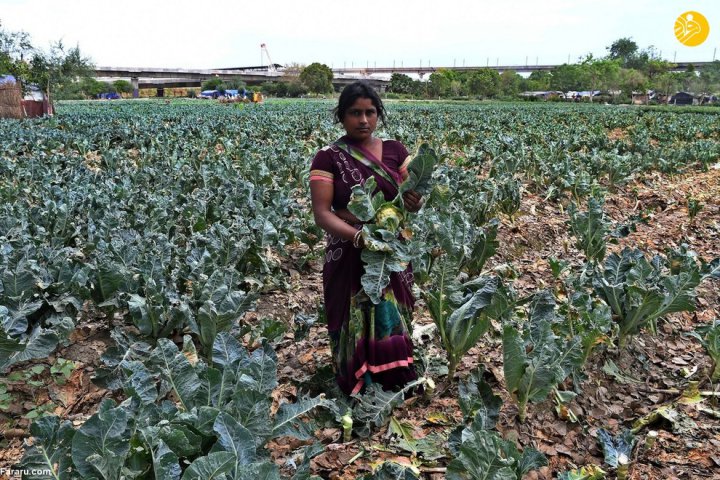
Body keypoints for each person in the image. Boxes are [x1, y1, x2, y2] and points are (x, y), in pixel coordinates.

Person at [309, 81, 423, 395]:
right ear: (342, 116)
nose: (363, 120)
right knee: (354, 316)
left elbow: (411, 197)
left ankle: (395, 379)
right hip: (349, 252)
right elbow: (323, 213)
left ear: (378, 115)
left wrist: (415, 201)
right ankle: (359, 382)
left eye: (370, 112)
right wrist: (360, 238)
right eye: (354, 113)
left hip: (389, 250)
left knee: (391, 313)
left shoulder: (396, 151)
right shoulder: (328, 157)